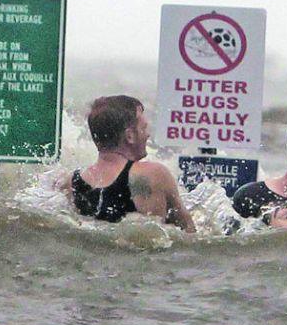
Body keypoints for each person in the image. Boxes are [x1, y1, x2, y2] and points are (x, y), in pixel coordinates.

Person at [56, 95, 196, 233]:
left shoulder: (70, 183)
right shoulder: (153, 174)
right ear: (130, 136)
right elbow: (189, 234)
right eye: (144, 128)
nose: (147, 135)